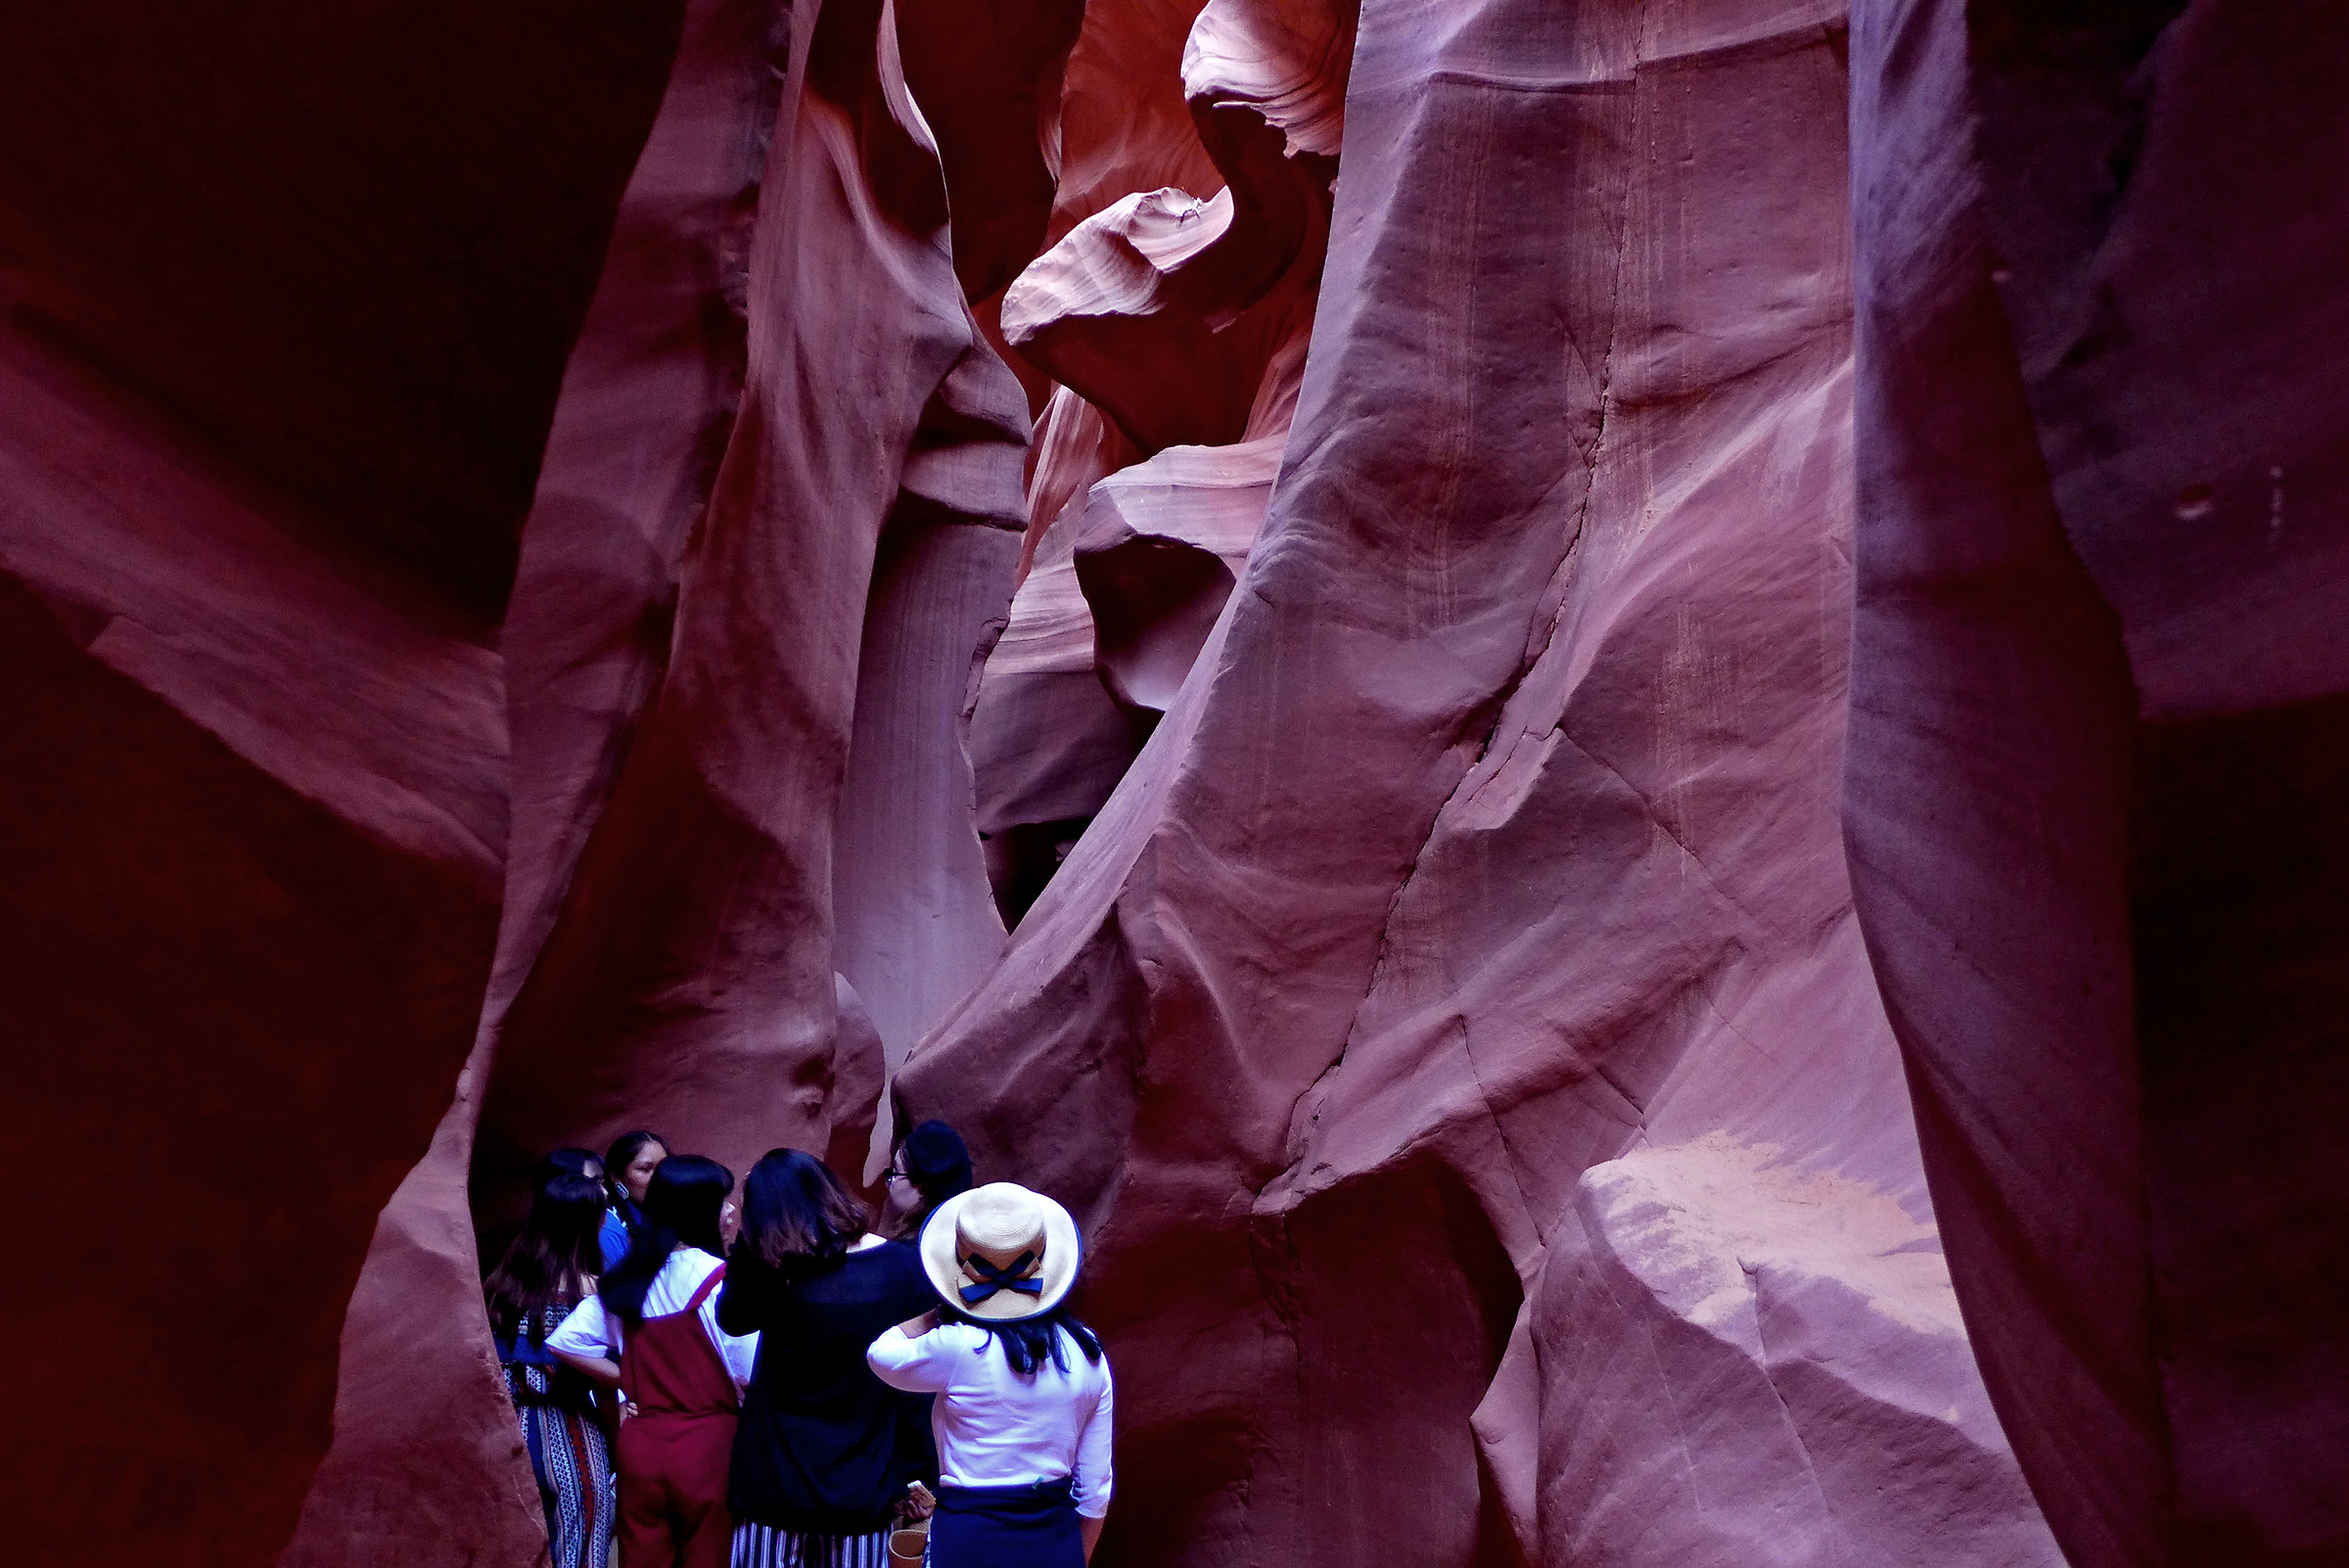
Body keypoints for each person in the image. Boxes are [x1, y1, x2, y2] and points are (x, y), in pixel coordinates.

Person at [867, 1182, 1112, 1567]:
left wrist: (940, 1311)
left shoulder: (958, 1346)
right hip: (1055, 1540)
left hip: (969, 1542)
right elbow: (1095, 1489)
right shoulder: (1087, 1350)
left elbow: (881, 1354)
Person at [717, 1149, 941, 1566]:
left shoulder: (776, 1274)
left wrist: (751, 1235)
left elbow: (731, 1318)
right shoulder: (904, 1267)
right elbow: (914, 1389)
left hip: (774, 1483)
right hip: (864, 1483)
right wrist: (917, 1474)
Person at [551, 1154, 756, 1568]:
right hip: (709, 1448)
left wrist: (626, 1378)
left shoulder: (628, 1278)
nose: (731, 1210)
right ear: (696, 1210)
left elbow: (564, 1342)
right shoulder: (720, 1281)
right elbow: (750, 1374)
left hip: (641, 1447)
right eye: (722, 1200)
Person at [486, 1171, 617, 1568]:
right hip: (574, 1431)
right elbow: (606, 1385)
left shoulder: (500, 1286)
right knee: (581, 1544)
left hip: (510, 1432)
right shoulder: (593, 1294)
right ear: (590, 1224)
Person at [881, 1120, 973, 1243]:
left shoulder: (905, 1256)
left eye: (895, 1172)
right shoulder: (968, 1242)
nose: (890, 1182)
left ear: (922, 1188)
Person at [602, 1130, 669, 1270]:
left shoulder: (674, 1212)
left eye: (663, 1167)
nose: (658, 1176)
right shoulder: (608, 1228)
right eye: (645, 1169)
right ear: (616, 1177)